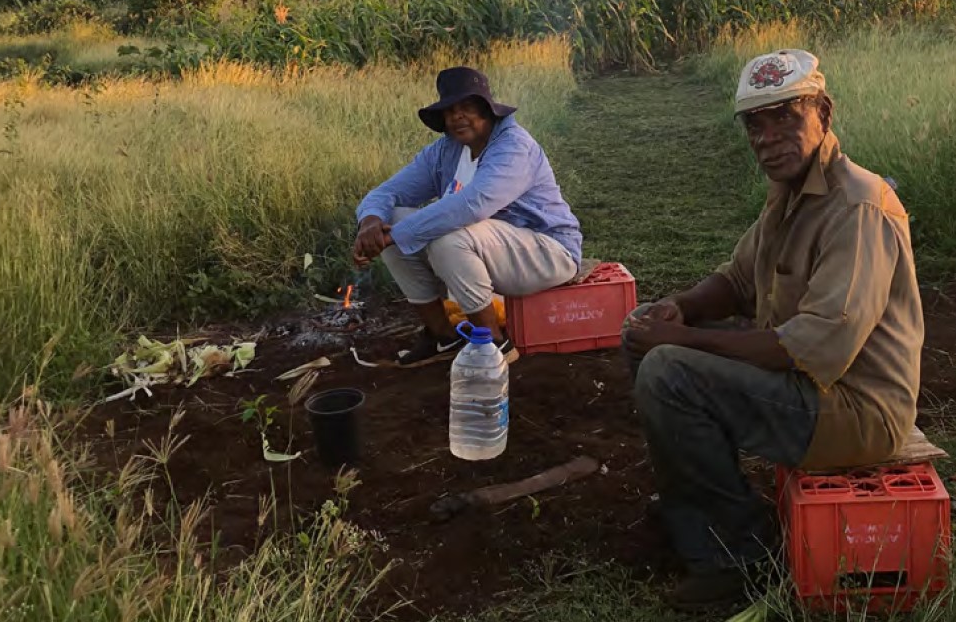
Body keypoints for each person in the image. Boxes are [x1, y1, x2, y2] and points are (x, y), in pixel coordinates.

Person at [622, 49, 924, 608]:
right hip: (813, 392)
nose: (767, 137)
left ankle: (738, 558)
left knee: (669, 371)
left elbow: (815, 342)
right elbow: (738, 281)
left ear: (824, 115)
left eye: (785, 116)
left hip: (857, 410)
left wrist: (684, 342)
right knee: (644, 337)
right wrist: (680, 308)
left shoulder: (857, 206)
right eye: (755, 124)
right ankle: (699, 505)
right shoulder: (790, 194)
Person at [353, 66, 582, 367]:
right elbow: (388, 193)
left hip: (548, 252)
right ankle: (442, 336)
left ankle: (495, 346)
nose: (458, 117)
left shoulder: (513, 146)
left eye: (468, 108)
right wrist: (370, 221)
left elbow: (473, 205)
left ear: (487, 110)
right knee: (392, 217)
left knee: (447, 236)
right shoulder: (446, 150)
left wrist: (393, 236)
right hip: (491, 251)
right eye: (450, 111)